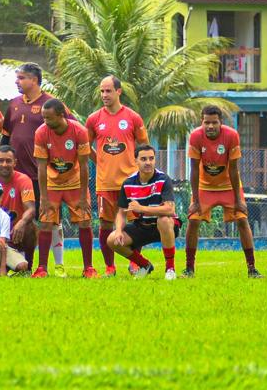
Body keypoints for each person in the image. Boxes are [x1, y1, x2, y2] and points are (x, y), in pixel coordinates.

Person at [3, 62, 69, 277]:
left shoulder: (51, 104)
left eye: (21, 78)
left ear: (34, 80)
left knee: (51, 219)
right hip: (18, 177)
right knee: (24, 221)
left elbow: (71, 131)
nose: (17, 81)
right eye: (17, 78)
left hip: (44, 175)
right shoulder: (12, 104)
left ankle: (58, 265)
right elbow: (5, 137)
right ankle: (25, 264)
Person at [185, 105, 261, 278]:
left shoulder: (232, 135)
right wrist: (195, 200)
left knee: (242, 220)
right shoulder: (196, 136)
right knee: (193, 221)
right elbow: (194, 169)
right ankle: (189, 269)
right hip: (204, 187)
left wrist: (238, 200)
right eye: (206, 123)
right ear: (202, 122)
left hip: (229, 187)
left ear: (221, 123)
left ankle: (252, 269)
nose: (210, 126)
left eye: (214, 123)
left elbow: (234, 170)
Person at [86, 75, 149, 277]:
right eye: (102, 91)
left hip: (131, 184)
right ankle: (110, 267)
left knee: (135, 224)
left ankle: (135, 264)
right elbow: (85, 147)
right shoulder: (94, 119)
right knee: (105, 224)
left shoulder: (133, 117)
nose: (104, 95)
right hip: (105, 183)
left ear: (118, 92)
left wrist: (139, 170)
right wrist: (100, 161)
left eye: (108, 91)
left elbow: (144, 148)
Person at [33, 98, 96, 278]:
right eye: (43, 118)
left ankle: (89, 268)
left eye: (49, 118)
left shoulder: (79, 131)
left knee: (84, 220)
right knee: (45, 222)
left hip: (75, 182)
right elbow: (41, 167)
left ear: (61, 115)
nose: (45, 122)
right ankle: (42, 268)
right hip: (52, 183)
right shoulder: (41, 132)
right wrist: (43, 198)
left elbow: (84, 166)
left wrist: (84, 196)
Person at [108, 143, 179, 280]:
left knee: (163, 219)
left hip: (165, 225)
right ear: (136, 161)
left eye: (151, 158)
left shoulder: (164, 179)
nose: (148, 162)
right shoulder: (128, 183)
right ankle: (144, 265)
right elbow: (122, 212)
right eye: (144, 159)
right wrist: (118, 230)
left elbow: (170, 209)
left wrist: (142, 209)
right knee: (112, 240)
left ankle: (170, 269)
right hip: (141, 226)